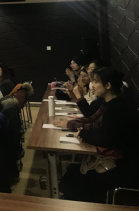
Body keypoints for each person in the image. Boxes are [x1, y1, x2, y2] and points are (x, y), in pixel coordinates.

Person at [58, 68, 139, 203]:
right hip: (115, 157)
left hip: (124, 164)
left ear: (108, 85)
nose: (92, 85)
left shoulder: (117, 107)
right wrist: (76, 126)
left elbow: (106, 139)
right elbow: (94, 121)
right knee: (72, 172)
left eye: (96, 82)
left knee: (74, 180)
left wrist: (82, 133)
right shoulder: (107, 102)